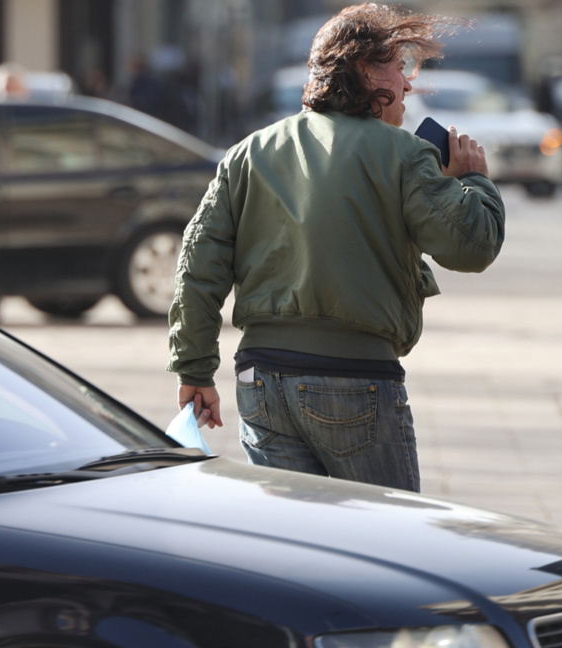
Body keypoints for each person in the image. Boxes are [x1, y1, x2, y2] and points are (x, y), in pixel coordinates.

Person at [167, 3, 506, 492]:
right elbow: (472, 246)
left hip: (258, 382)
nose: (408, 84)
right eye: (398, 66)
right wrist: (474, 180)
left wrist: (194, 369)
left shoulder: (249, 152)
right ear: (364, 70)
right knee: (389, 544)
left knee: (297, 555)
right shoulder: (405, 154)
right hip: (354, 380)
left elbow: (198, 264)